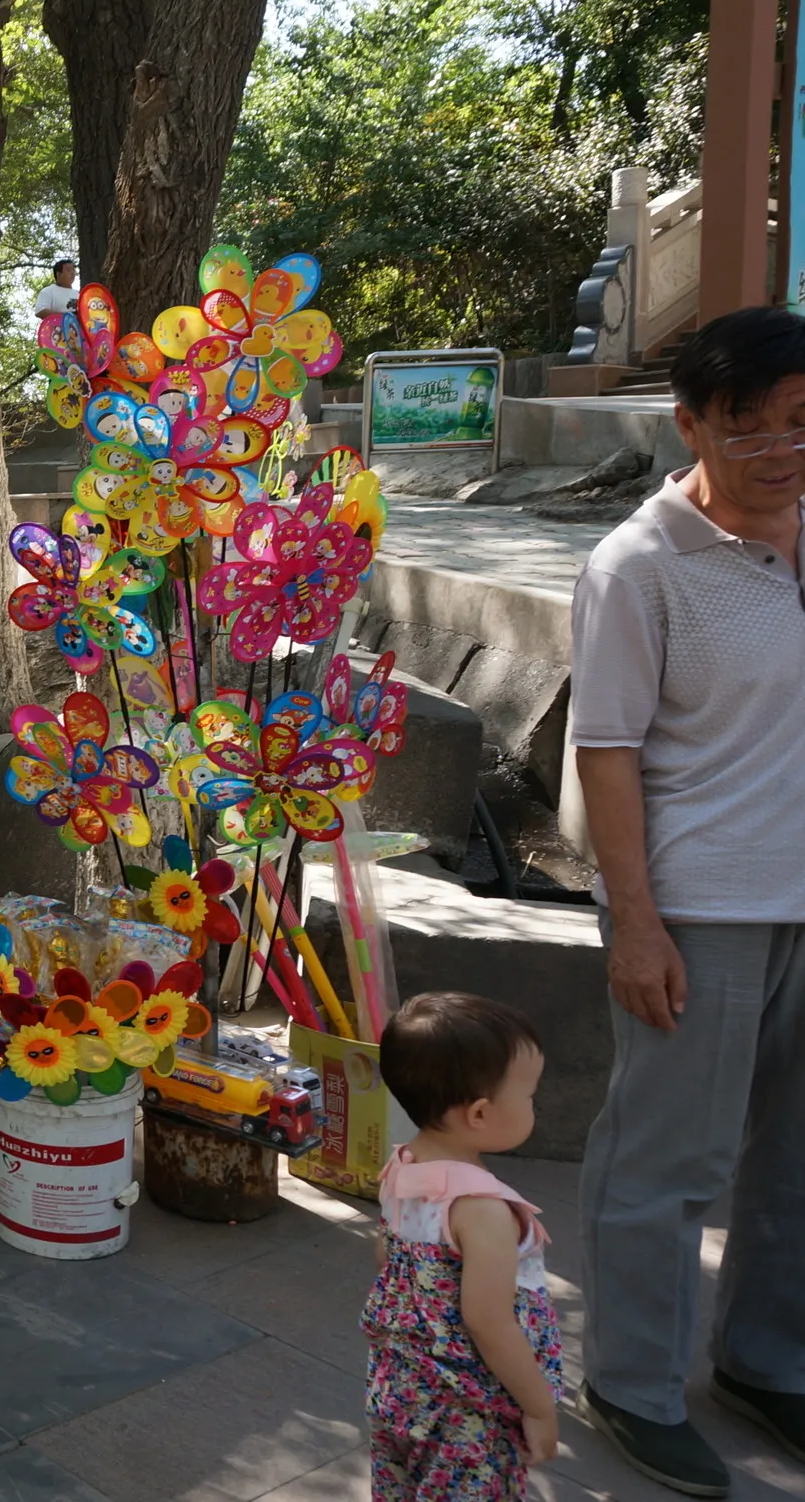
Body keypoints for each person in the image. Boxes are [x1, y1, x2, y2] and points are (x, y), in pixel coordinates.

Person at [568, 304, 805, 1495]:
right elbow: (604, 749)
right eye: (745, 421)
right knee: (669, 1157)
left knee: (799, 1156)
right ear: (692, 424)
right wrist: (637, 922)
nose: (777, 444)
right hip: (699, 904)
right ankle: (629, 1380)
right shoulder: (636, 567)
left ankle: (768, 1360)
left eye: (799, 420)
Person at [366, 992, 565, 1502]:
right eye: (528, 1095)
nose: (532, 1105)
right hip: (467, 1414)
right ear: (479, 1113)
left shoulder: (403, 1169)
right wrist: (539, 1407)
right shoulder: (481, 1209)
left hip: (403, 1390)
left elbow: (388, 1259)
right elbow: (488, 1321)